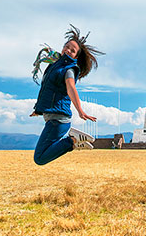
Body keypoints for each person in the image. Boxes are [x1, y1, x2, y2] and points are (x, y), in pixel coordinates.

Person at [30, 25, 104, 165]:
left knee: (39, 158)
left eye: (72, 50)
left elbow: (71, 88)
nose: (68, 50)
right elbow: (50, 91)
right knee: (42, 154)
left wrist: (80, 111)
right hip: (54, 119)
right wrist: (39, 110)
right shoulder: (55, 66)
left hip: (58, 121)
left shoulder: (69, 69)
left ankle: (72, 141)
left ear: (76, 56)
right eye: (67, 46)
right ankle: (74, 143)